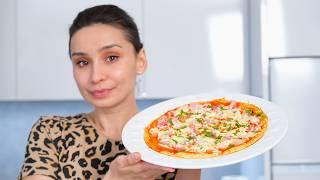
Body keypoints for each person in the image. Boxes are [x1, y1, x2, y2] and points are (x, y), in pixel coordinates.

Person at [18, 4, 201, 180]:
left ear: (140, 61)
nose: (96, 76)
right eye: (82, 62)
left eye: (111, 57)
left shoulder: (173, 139)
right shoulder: (51, 132)